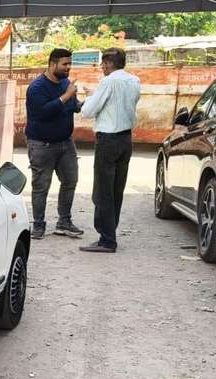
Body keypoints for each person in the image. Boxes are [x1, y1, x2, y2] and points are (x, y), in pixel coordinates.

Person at [78, 48, 141, 253]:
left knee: (103, 190)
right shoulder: (134, 81)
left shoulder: (109, 81)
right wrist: (94, 95)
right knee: (116, 189)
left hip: (108, 140)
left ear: (108, 64)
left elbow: (88, 111)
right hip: (125, 139)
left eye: (103, 63)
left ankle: (107, 240)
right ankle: (109, 231)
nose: (102, 67)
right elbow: (119, 104)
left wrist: (88, 98)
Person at [25, 48, 85, 240]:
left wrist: (90, 102)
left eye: (70, 64)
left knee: (70, 181)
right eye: (64, 64)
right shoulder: (37, 88)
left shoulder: (67, 83)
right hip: (41, 145)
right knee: (41, 186)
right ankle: (39, 225)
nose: (68, 68)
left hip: (66, 143)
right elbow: (42, 113)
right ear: (52, 64)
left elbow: (73, 106)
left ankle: (64, 222)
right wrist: (66, 96)